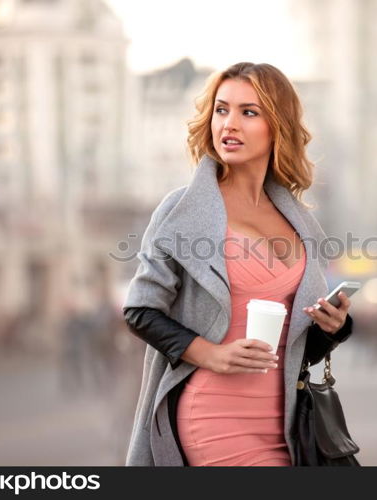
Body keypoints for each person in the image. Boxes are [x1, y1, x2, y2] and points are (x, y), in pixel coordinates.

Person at [122, 62, 354, 466]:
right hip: (214, 414)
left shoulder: (300, 222)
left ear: (276, 125)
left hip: (285, 423)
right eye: (221, 109)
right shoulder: (183, 211)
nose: (229, 124)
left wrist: (333, 327)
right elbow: (140, 310)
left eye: (249, 112)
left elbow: (298, 348)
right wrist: (209, 354)